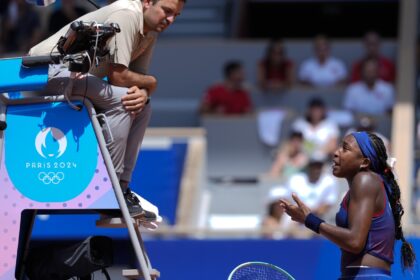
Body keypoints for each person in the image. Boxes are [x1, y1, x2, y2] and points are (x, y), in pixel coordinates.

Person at [28, 0, 186, 218]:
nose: (170, 20)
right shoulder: (127, 14)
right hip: (43, 73)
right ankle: (108, 189)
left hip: (77, 79)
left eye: (175, 16)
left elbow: (133, 82)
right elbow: (118, 76)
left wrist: (144, 92)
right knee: (122, 102)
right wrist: (151, 83)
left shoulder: (149, 32)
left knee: (141, 106)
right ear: (147, 3)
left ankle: (121, 187)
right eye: (167, 11)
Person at [280, 132, 416, 279]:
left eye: (345, 149)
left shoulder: (365, 180)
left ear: (364, 162)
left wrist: (309, 220)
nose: (336, 153)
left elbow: (354, 241)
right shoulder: (367, 184)